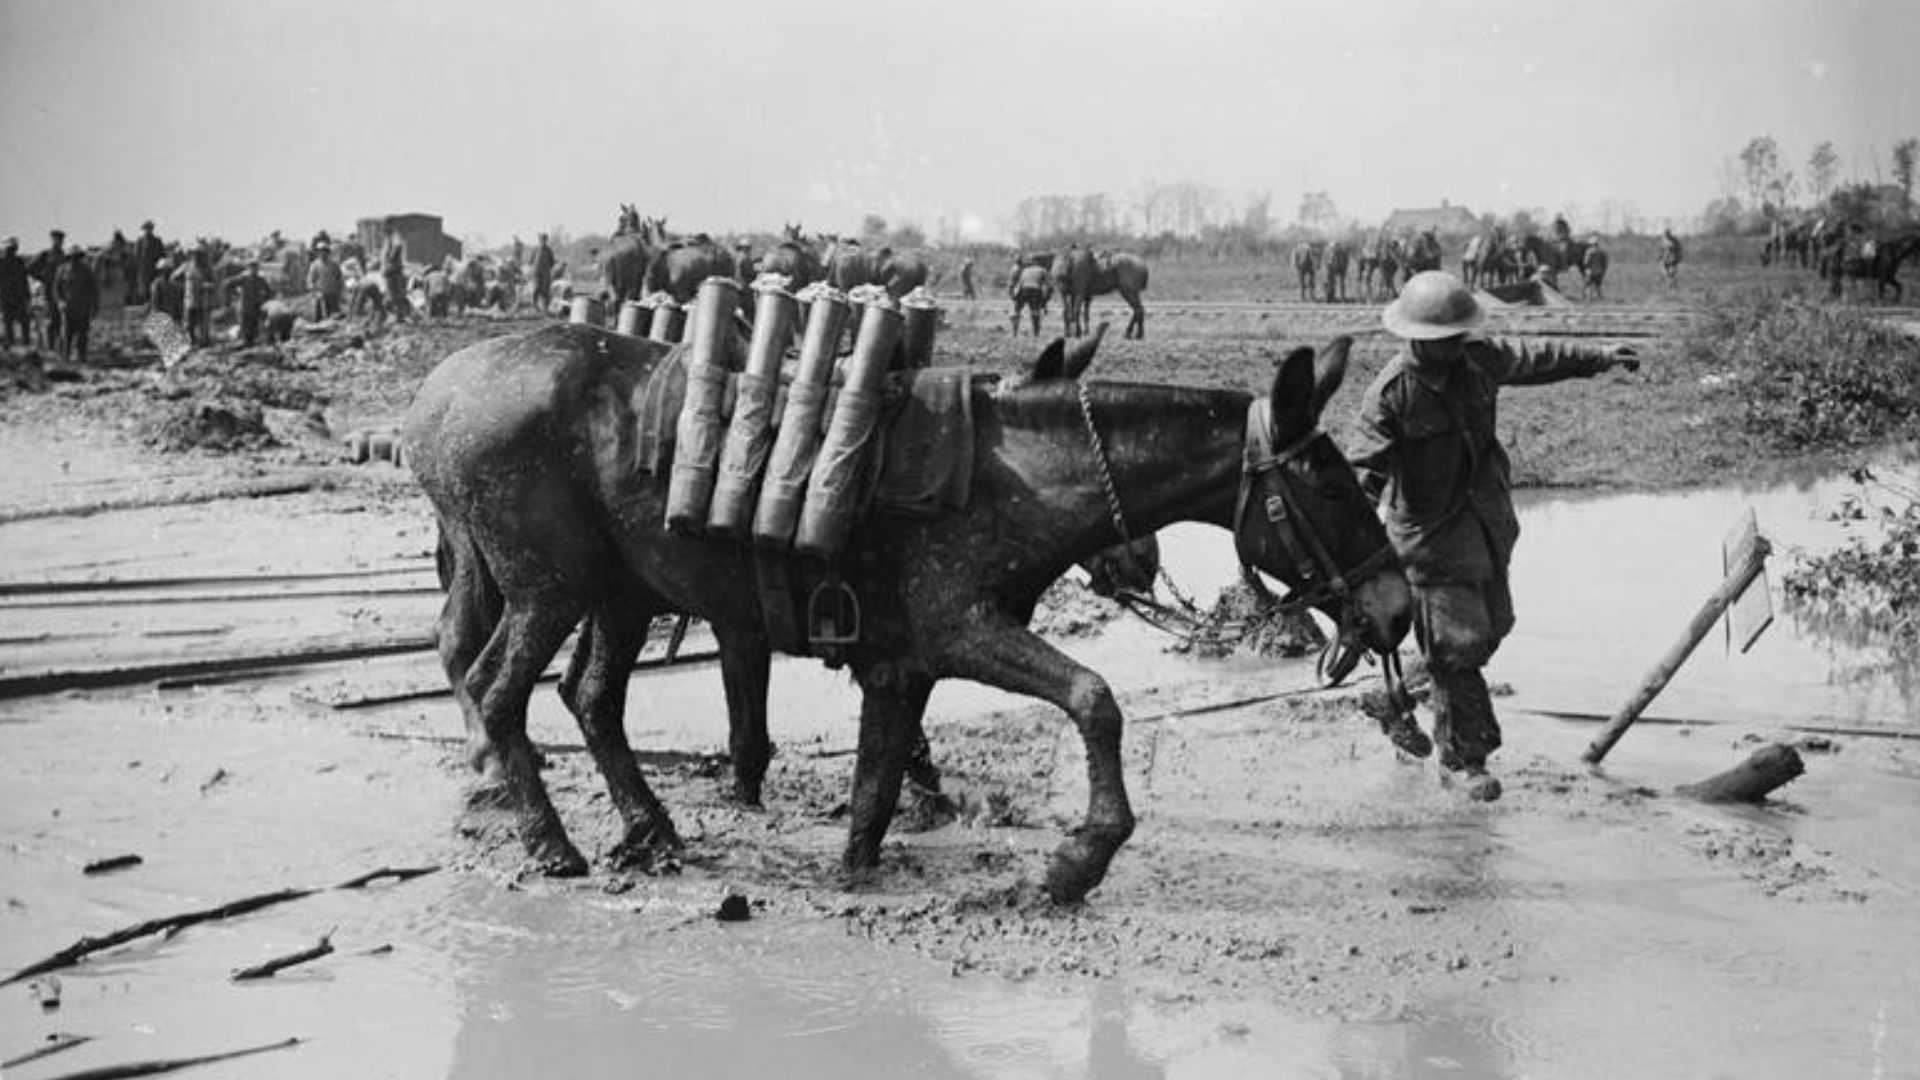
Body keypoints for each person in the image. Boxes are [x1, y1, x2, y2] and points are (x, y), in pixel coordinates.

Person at [1350, 271, 1638, 801]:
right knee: (1460, 648)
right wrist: (1359, 560)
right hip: (1430, 543)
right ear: (1416, 338)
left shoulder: (1479, 359)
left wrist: (1599, 355)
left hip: (1485, 526)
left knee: (1491, 628)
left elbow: (1535, 356)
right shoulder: (1390, 395)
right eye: (1445, 341)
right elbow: (1360, 480)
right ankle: (1463, 760)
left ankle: (1393, 697)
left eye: (1460, 337)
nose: (1456, 347)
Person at [53, 246, 100, 363]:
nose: (74, 259)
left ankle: (82, 358)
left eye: (76, 257)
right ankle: (65, 358)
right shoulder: (62, 270)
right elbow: (56, 289)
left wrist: (94, 306)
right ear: (68, 257)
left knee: (82, 335)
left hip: (83, 307)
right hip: (67, 307)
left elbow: (94, 289)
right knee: (66, 335)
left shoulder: (86, 270)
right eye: (71, 257)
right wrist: (60, 302)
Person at [29, 229, 68, 352]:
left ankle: (59, 347)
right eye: (57, 239)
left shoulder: (64, 256)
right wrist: (42, 279)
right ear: (52, 240)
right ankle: (50, 347)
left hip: (63, 292)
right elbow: (30, 268)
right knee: (51, 319)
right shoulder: (45, 255)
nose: (59, 242)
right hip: (49, 291)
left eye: (61, 239)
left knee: (61, 321)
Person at [227, 260, 274, 346]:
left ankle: (251, 341)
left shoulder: (260, 279)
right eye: (252, 267)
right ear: (249, 268)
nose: (254, 269)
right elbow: (229, 284)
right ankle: (245, 341)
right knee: (244, 323)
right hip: (244, 305)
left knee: (254, 324)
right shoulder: (243, 278)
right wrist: (234, 295)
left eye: (255, 267)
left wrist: (265, 299)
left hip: (256, 305)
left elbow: (268, 291)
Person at [180, 249, 216, 346]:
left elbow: (214, 281)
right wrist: (184, 287)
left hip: (202, 300)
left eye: (200, 255)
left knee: (203, 323)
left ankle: (203, 340)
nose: (197, 257)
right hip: (190, 299)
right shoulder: (186, 266)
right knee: (188, 323)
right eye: (196, 255)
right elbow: (174, 278)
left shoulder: (207, 268)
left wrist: (208, 285)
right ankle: (190, 341)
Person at [1, 237, 31, 348]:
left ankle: (26, 346)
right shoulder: (1, 262)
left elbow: (24, 280)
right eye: (10, 248)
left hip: (19, 298)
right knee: (8, 324)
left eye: (14, 248)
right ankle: (10, 347)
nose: (12, 250)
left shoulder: (19, 261)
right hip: (6, 298)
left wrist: (28, 296)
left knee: (25, 322)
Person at [1010, 256, 1050, 336]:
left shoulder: (1024, 270)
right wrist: (1044, 301)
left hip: (1023, 290)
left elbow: (1019, 282)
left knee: (1016, 310)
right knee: (1035, 311)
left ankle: (1014, 333)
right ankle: (1036, 333)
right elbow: (1047, 285)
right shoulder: (1043, 270)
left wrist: (1015, 296)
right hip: (1035, 290)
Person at [307, 243, 345, 320]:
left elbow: (339, 278)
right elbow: (310, 280)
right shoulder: (315, 265)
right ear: (318, 253)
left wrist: (339, 291)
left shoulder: (334, 264)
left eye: (324, 251)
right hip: (320, 294)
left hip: (333, 294)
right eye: (320, 252)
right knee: (319, 314)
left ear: (328, 252)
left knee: (335, 316)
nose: (322, 254)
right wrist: (313, 289)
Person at [132, 220, 165, 306]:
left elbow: (162, 256)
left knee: (155, 290)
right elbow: (136, 257)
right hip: (143, 271)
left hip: (155, 270)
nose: (148, 230)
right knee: (144, 291)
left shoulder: (157, 241)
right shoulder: (140, 241)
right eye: (147, 228)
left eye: (150, 228)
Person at [381, 228, 410, 321]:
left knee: (394, 295)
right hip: (394, 270)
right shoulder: (393, 240)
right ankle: (397, 315)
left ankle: (397, 316)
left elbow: (396, 248)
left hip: (392, 270)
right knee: (395, 295)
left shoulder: (393, 239)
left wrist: (389, 259)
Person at [147, 256, 184, 321]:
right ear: (161, 271)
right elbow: (155, 302)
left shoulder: (172, 284)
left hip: (170, 316)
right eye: (167, 270)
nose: (168, 272)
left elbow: (176, 302)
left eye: (169, 270)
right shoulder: (157, 284)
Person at [531, 233, 556, 314]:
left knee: (545, 290)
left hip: (546, 273)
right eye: (542, 239)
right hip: (536, 273)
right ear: (539, 240)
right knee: (536, 288)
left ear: (546, 240)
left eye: (544, 239)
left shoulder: (549, 250)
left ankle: (545, 308)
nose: (543, 241)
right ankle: (535, 305)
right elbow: (531, 261)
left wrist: (547, 269)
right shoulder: (535, 249)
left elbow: (552, 262)